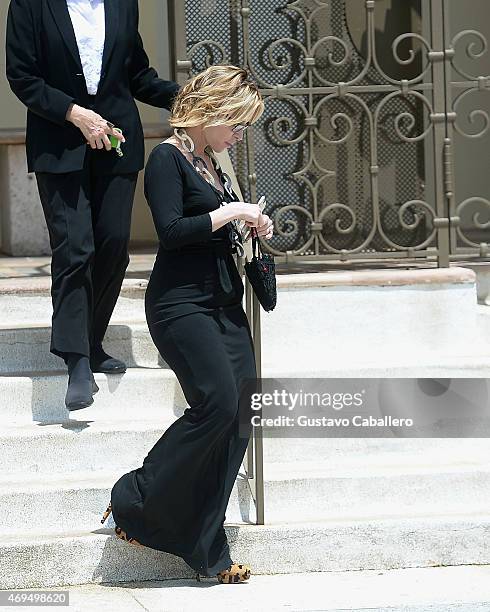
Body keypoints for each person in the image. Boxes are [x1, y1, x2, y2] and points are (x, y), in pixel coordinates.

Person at [100, 64, 273, 583]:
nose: (238, 135)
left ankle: (207, 550)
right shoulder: (166, 160)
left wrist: (252, 223)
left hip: (224, 304)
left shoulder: (215, 165)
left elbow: (220, 230)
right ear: (209, 114)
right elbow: (172, 230)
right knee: (218, 403)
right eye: (235, 124)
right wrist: (230, 213)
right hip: (180, 306)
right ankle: (135, 496)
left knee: (243, 413)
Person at [5, 0, 180, 410]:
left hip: (117, 144)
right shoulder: (30, 5)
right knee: (74, 248)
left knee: (114, 246)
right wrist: (75, 114)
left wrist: (187, 97)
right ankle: (77, 360)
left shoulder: (122, 3)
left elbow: (136, 74)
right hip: (59, 144)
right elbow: (22, 76)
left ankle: (92, 338)